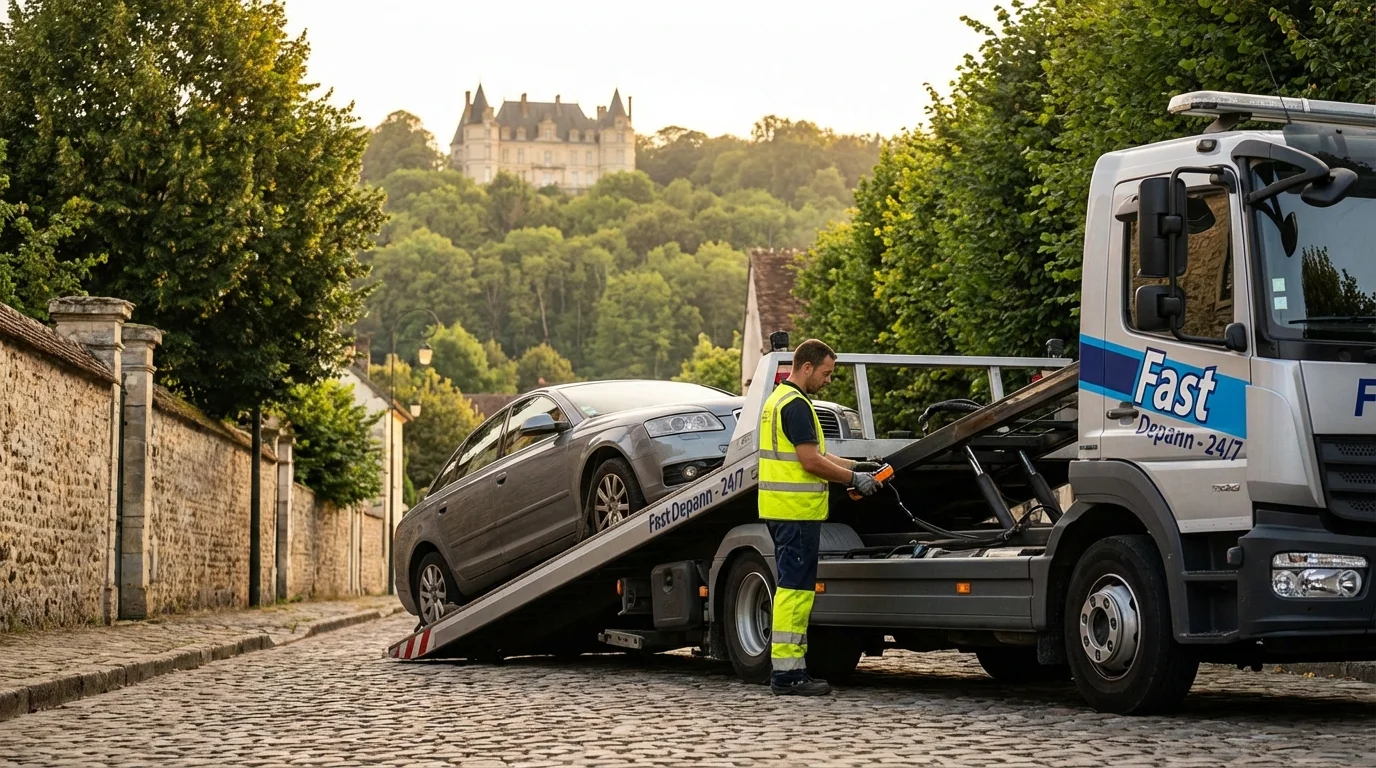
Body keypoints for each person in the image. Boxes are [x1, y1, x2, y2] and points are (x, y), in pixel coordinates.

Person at [758, 338, 885, 696]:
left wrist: (859, 467)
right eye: (826, 374)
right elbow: (810, 463)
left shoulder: (777, 400)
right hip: (795, 515)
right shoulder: (796, 406)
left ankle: (789, 670)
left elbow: (818, 456)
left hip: (784, 512)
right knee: (795, 592)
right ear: (807, 367)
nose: (829, 381)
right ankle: (788, 674)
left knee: (791, 589)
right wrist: (852, 479)